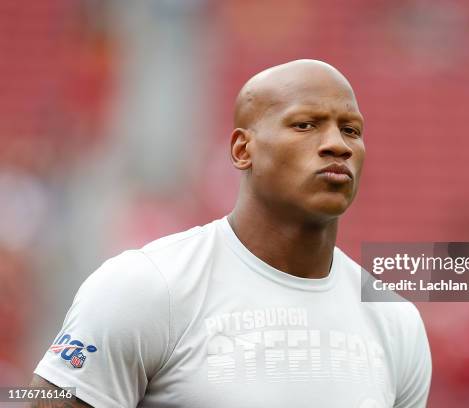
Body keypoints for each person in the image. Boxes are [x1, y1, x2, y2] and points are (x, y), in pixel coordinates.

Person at [31, 59, 432, 407]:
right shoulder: (146, 287)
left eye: (351, 130)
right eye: (306, 125)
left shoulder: (395, 321)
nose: (337, 145)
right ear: (243, 150)